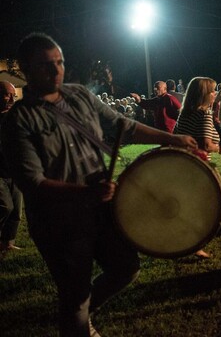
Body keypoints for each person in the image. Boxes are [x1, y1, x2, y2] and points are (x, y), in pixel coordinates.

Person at [2, 33, 198, 336]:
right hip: (59, 223)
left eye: (60, 62)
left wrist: (173, 139)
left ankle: (77, 316)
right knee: (76, 291)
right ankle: (78, 321)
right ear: (24, 69)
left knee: (125, 267)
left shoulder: (79, 95)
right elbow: (32, 182)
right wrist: (86, 192)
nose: (56, 71)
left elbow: (124, 126)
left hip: (101, 210)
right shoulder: (19, 120)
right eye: (45, 65)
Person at [174, 76, 220, 258]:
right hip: (200, 168)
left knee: (190, 206)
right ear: (204, 94)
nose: (215, 94)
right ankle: (194, 244)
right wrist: (218, 147)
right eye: (212, 91)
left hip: (184, 165)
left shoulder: (185, 113)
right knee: (205, 207)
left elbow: (175, 136)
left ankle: (188, 242)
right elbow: (206, 144)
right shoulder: (204, 114)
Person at [0, 81, 23, 259]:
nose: (11, 99)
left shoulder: (15, 117)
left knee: (16, 211)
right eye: (8, 94)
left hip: (14, 171)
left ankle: (8, 243)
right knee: (4, 207)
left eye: (13, 96)